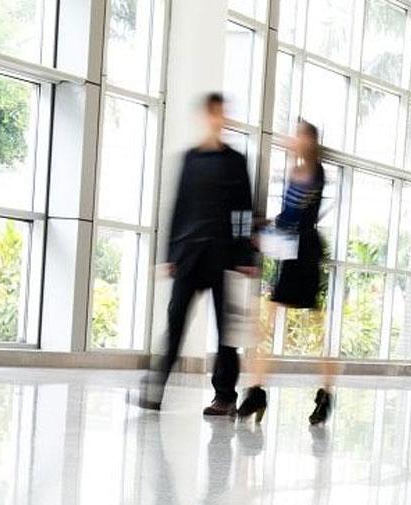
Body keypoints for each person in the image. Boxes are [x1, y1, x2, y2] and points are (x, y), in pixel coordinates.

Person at [133, 93, 257, 415]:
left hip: (223, 257)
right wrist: (169, 255)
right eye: (213, 113)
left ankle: (224, 396)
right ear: (205, 117)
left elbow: (244, 212)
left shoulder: (236, 161)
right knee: (175, 322)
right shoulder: (190, 159)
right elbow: (178, 207)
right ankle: (156, 388)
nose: (218, 119)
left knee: (226, 332)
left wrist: (245, 257)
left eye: (221, 113)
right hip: (189, 256)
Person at [235, 120, 336, 425]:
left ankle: (325, 393)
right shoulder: (296, 171)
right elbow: (288, 214)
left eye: (298, 136)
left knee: (315, 329)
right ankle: (256, 391)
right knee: (267, 323)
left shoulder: (314, 173)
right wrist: (266, 228)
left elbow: (296, 213)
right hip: (291, 252)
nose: (291, 140)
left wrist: (269, 229)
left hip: (305, 252)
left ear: (308, 141)